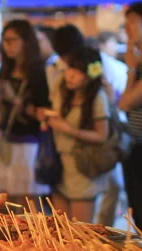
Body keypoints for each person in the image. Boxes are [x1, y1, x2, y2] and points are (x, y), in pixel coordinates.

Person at [45, 47, 113, 223]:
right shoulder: (64, 91)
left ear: (91, 73)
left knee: (79, 231)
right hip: (60, 165)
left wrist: (67, 129)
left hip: (83, 168)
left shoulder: (97, 97)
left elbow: (101, 135)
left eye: (78, 71)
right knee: (61, 229)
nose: (70, 75)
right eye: (69, 68)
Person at [0, 20, 51, 204]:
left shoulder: (37, 72)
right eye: (4, 41)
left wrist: (16, 101)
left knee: (25, 201)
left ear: (25, 41)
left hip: (28, 141)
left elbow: (43, 111)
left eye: (12, 40)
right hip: (5, 137)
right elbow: (0, 108)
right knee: (3, 199)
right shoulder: (4, 70)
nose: (7, 45)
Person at [118, 1, 142, 229]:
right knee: (136, 208)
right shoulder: (137, 61)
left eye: (132, 23)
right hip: (134, 146)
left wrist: (131, 68)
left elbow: (126, 102)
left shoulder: (136, 64)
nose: (127, 29)